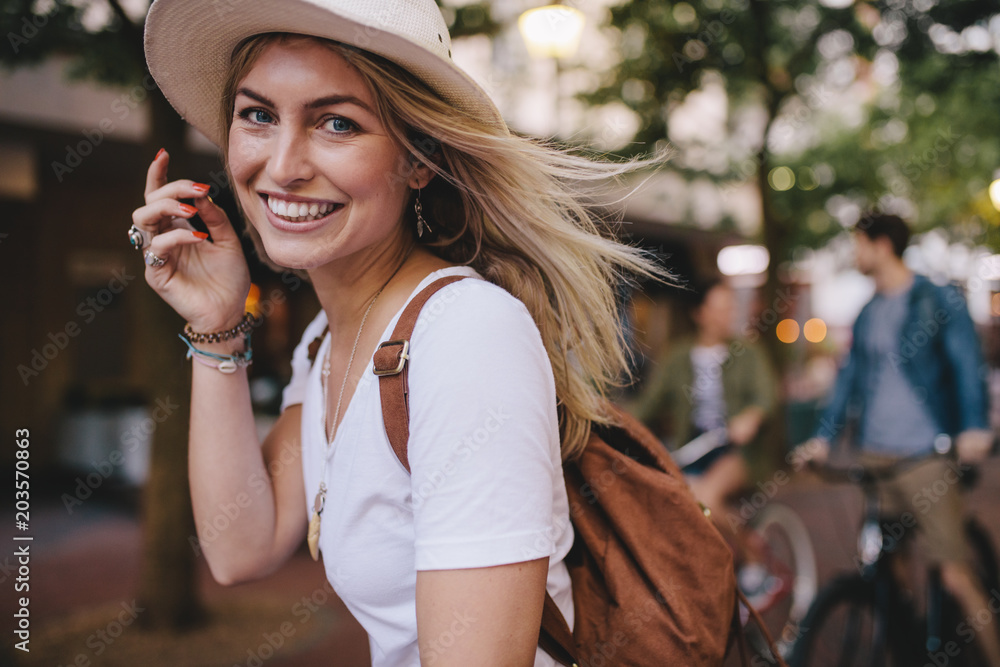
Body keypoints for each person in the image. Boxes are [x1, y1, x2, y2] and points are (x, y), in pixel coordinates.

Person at [132, 1, 662, 665]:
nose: (285, 164)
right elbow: (241, 545)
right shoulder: (328, 340)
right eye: (259, 114)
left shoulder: (465, 337)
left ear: (419, 157)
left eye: (337, 122)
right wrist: (216, 325)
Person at [797, 212, 1000, 664]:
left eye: (859, 243)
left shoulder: (935, 298)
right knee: (892, 567)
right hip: (875, 456)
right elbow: (847, 381)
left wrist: (974, 427)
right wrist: (822, 439)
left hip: (927, 455)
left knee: (954, 574)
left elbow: (968, 366)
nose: (855, 253)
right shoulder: (869, 311)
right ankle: (911, 647)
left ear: (882, 244)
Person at [633, 277, 778, 516]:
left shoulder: (748, 353)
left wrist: (750, 417)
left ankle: (749, 545)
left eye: (730, 308)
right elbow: (648, 404)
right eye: (720, 309)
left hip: (734, 450)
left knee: (704, 500)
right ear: (699, 313)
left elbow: (766, 395)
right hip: (690, 447)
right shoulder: (677, 357)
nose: (728, 315)